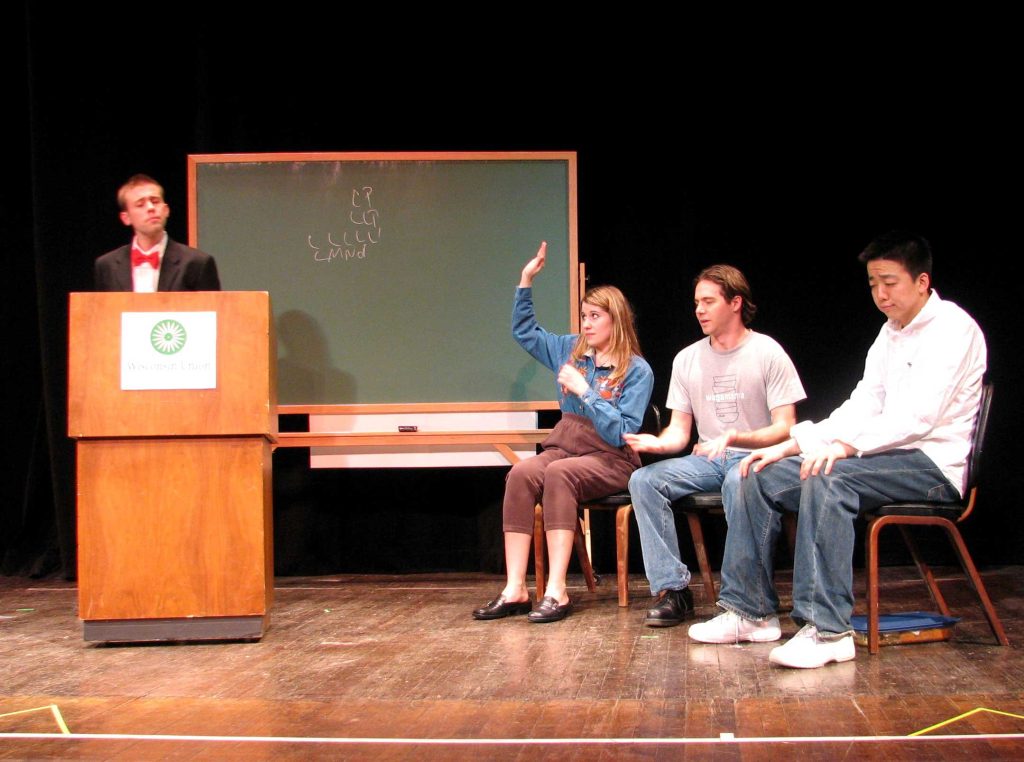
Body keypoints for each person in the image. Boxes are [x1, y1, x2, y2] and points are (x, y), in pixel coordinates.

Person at [688, 231, 987, 670]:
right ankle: (750, 612)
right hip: (881, 456)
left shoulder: (954, 329)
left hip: (932, 464)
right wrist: (792, 445)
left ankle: (827, 630)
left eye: (890, 283)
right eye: (873, 284)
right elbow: (862, 404)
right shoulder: (890, 334)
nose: (881, 294)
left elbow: (919, 417)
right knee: (755, 473)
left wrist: (845, 447)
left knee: (828, 476)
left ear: (922, 281)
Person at [473, 241, 653, 623]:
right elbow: (525, 332)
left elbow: (622, 432)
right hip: (565, 447)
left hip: (610, 457)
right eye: (584, 316)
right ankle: (516, 588)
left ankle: (557, 590)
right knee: (522, 473)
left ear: (616, 321)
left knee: (559, 473)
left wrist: (586, 392)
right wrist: (526, 280)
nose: (586, 324)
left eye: (595, 317)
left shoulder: (636, 370)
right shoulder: (569, 349)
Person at [624, 265, 806, 627]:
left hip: (757, 457)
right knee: (643, 481)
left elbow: (786, 427)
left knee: (740, 480)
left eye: (708, 301)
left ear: (735, 303)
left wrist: (737, 438)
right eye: (697, 303)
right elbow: (680, 432)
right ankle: (673, 590)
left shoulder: (767, 352)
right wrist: (658, 443)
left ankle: (749, 599)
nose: (699, 310)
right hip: (709, 458)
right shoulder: (687, 358)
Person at [94, 174, 221, 292]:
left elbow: (213, 308)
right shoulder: (107, 265)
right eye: (140, 204)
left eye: (155, 201)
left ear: (166, 210)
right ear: (126, 218)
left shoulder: (197, 263)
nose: (151, 208)